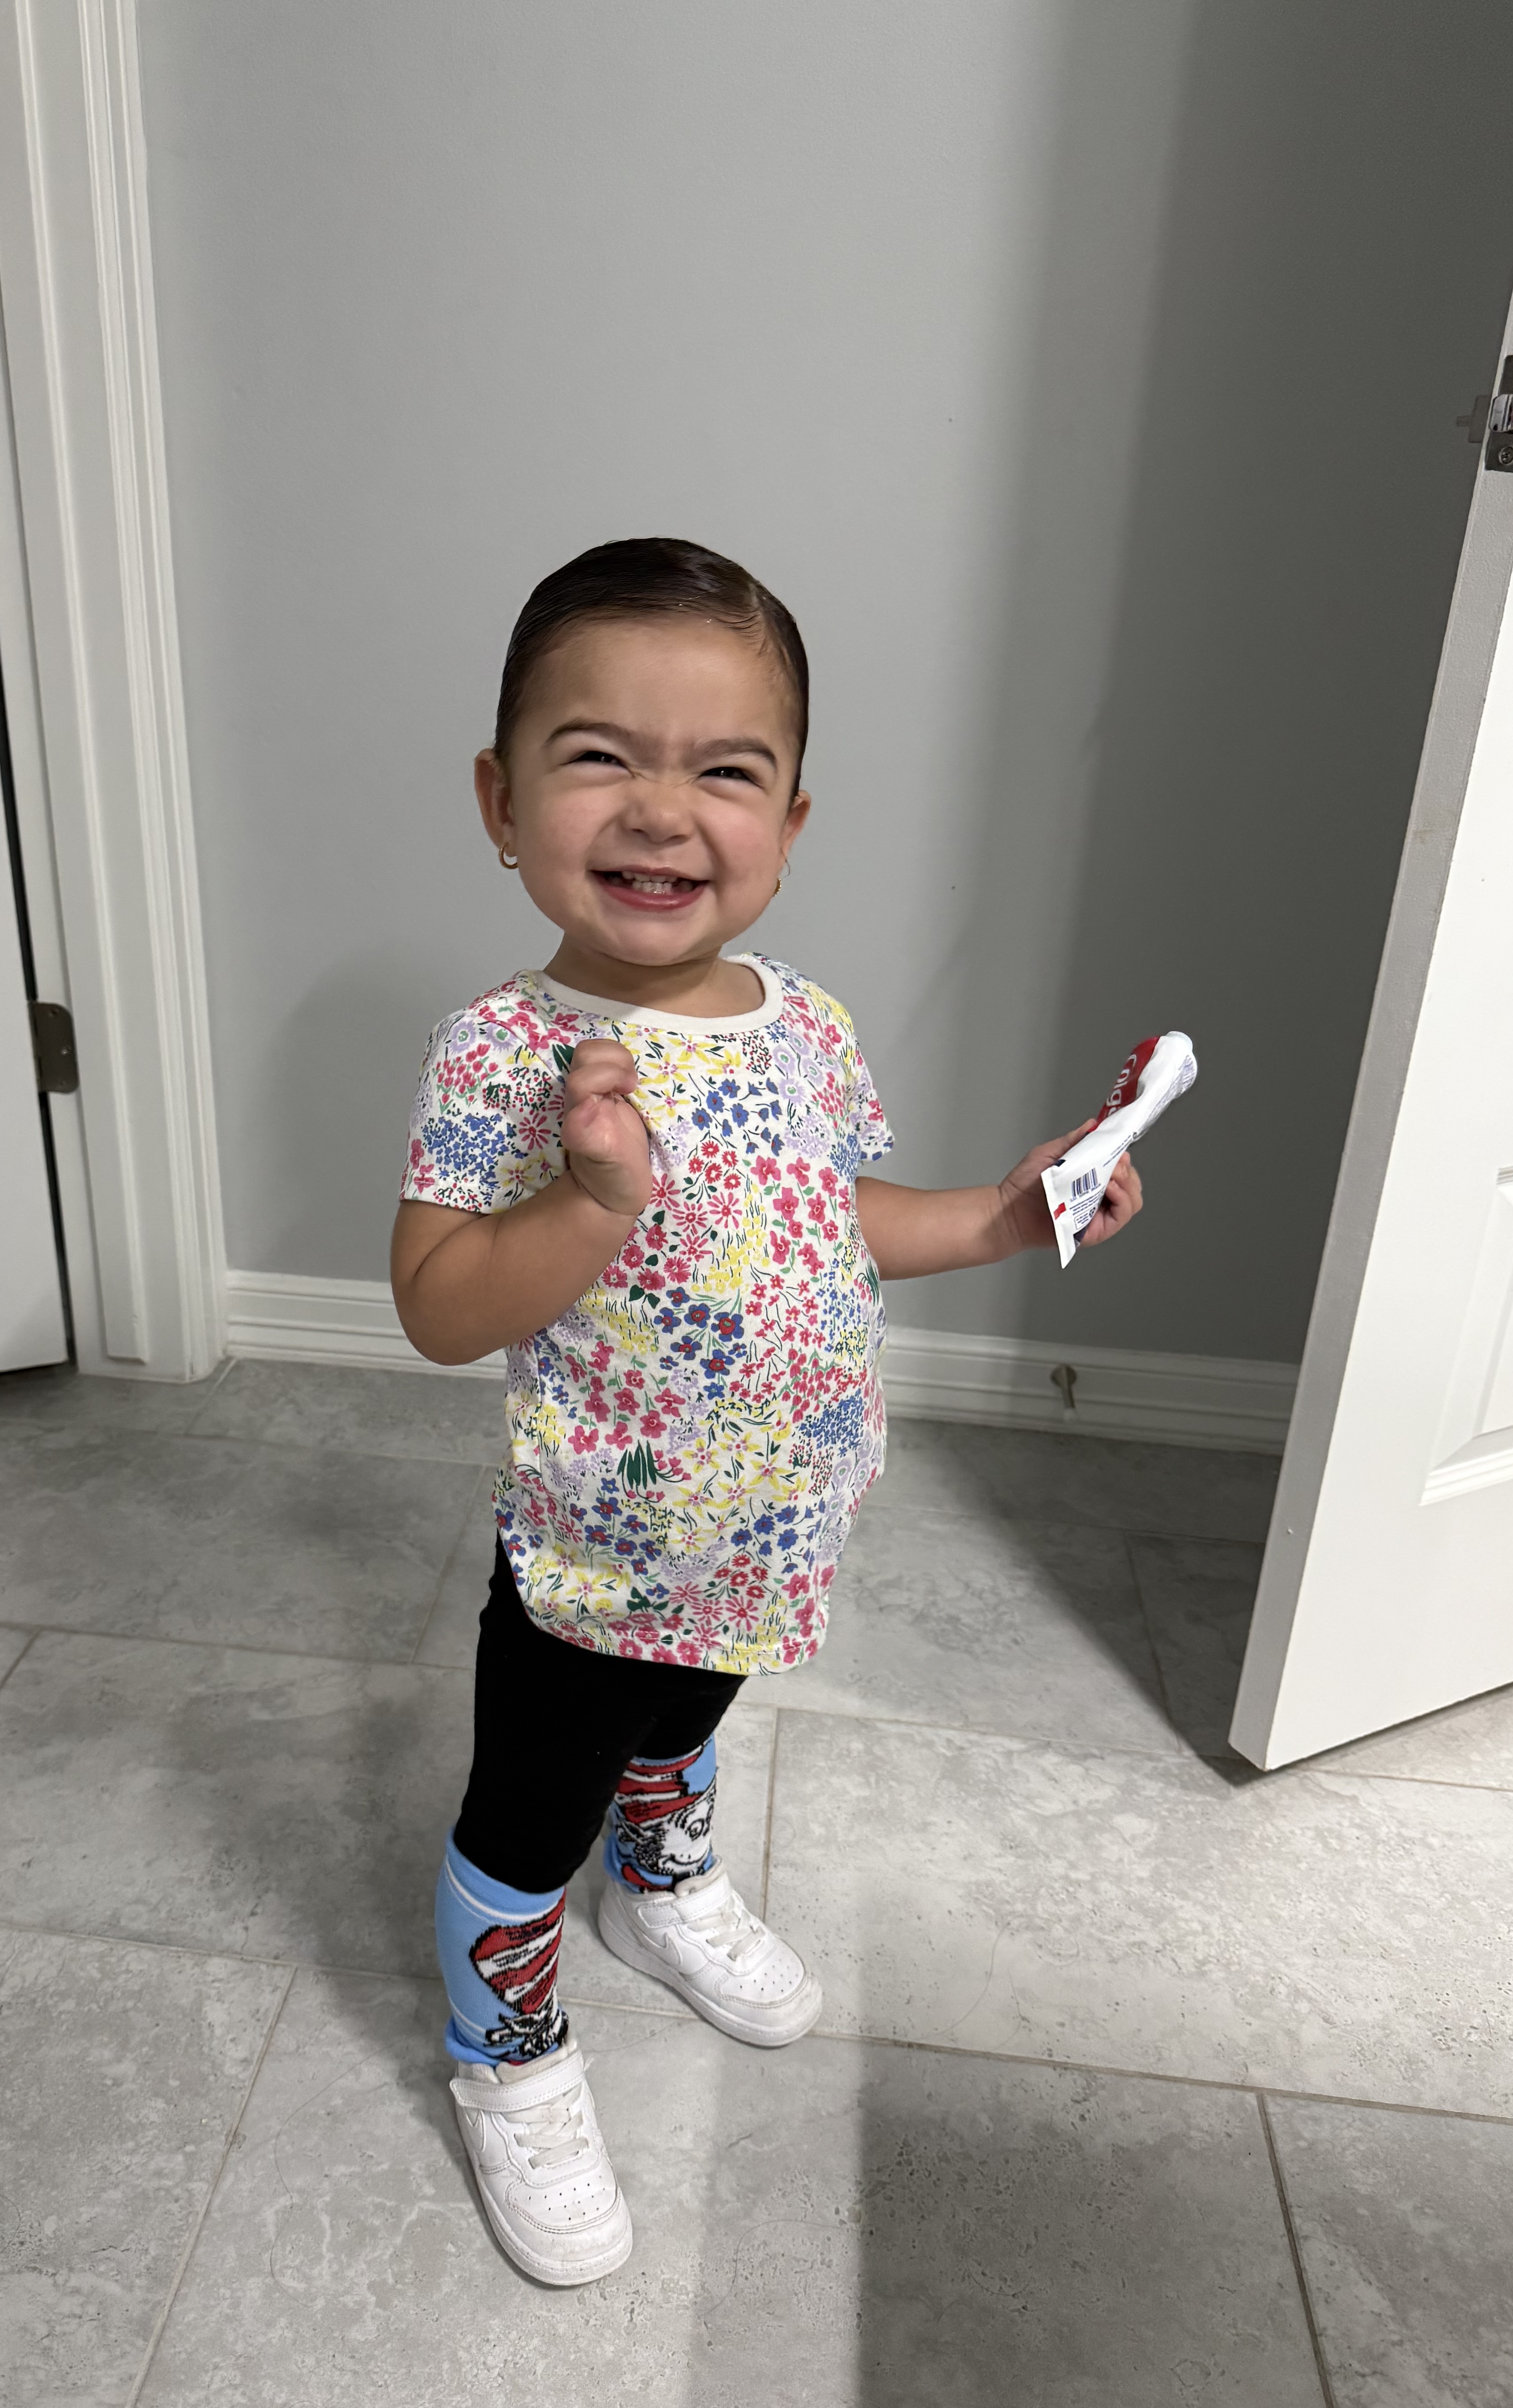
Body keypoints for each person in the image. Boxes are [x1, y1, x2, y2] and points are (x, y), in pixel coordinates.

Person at [392, 539, 1143, 2285]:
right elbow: (437, 1308)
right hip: (594, 1549)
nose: (662, 810)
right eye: (599, 755)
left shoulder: (806, 1024)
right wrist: (590, 1206)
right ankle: (506, 2050)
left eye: (725, 771)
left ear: (790, 824)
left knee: (693, 1710)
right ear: (502, 801)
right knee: (531, 1807)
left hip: (775, 1506)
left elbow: (838, 1217)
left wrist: (1000, 1215)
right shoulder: (498, 1052)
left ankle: (660, 1886)